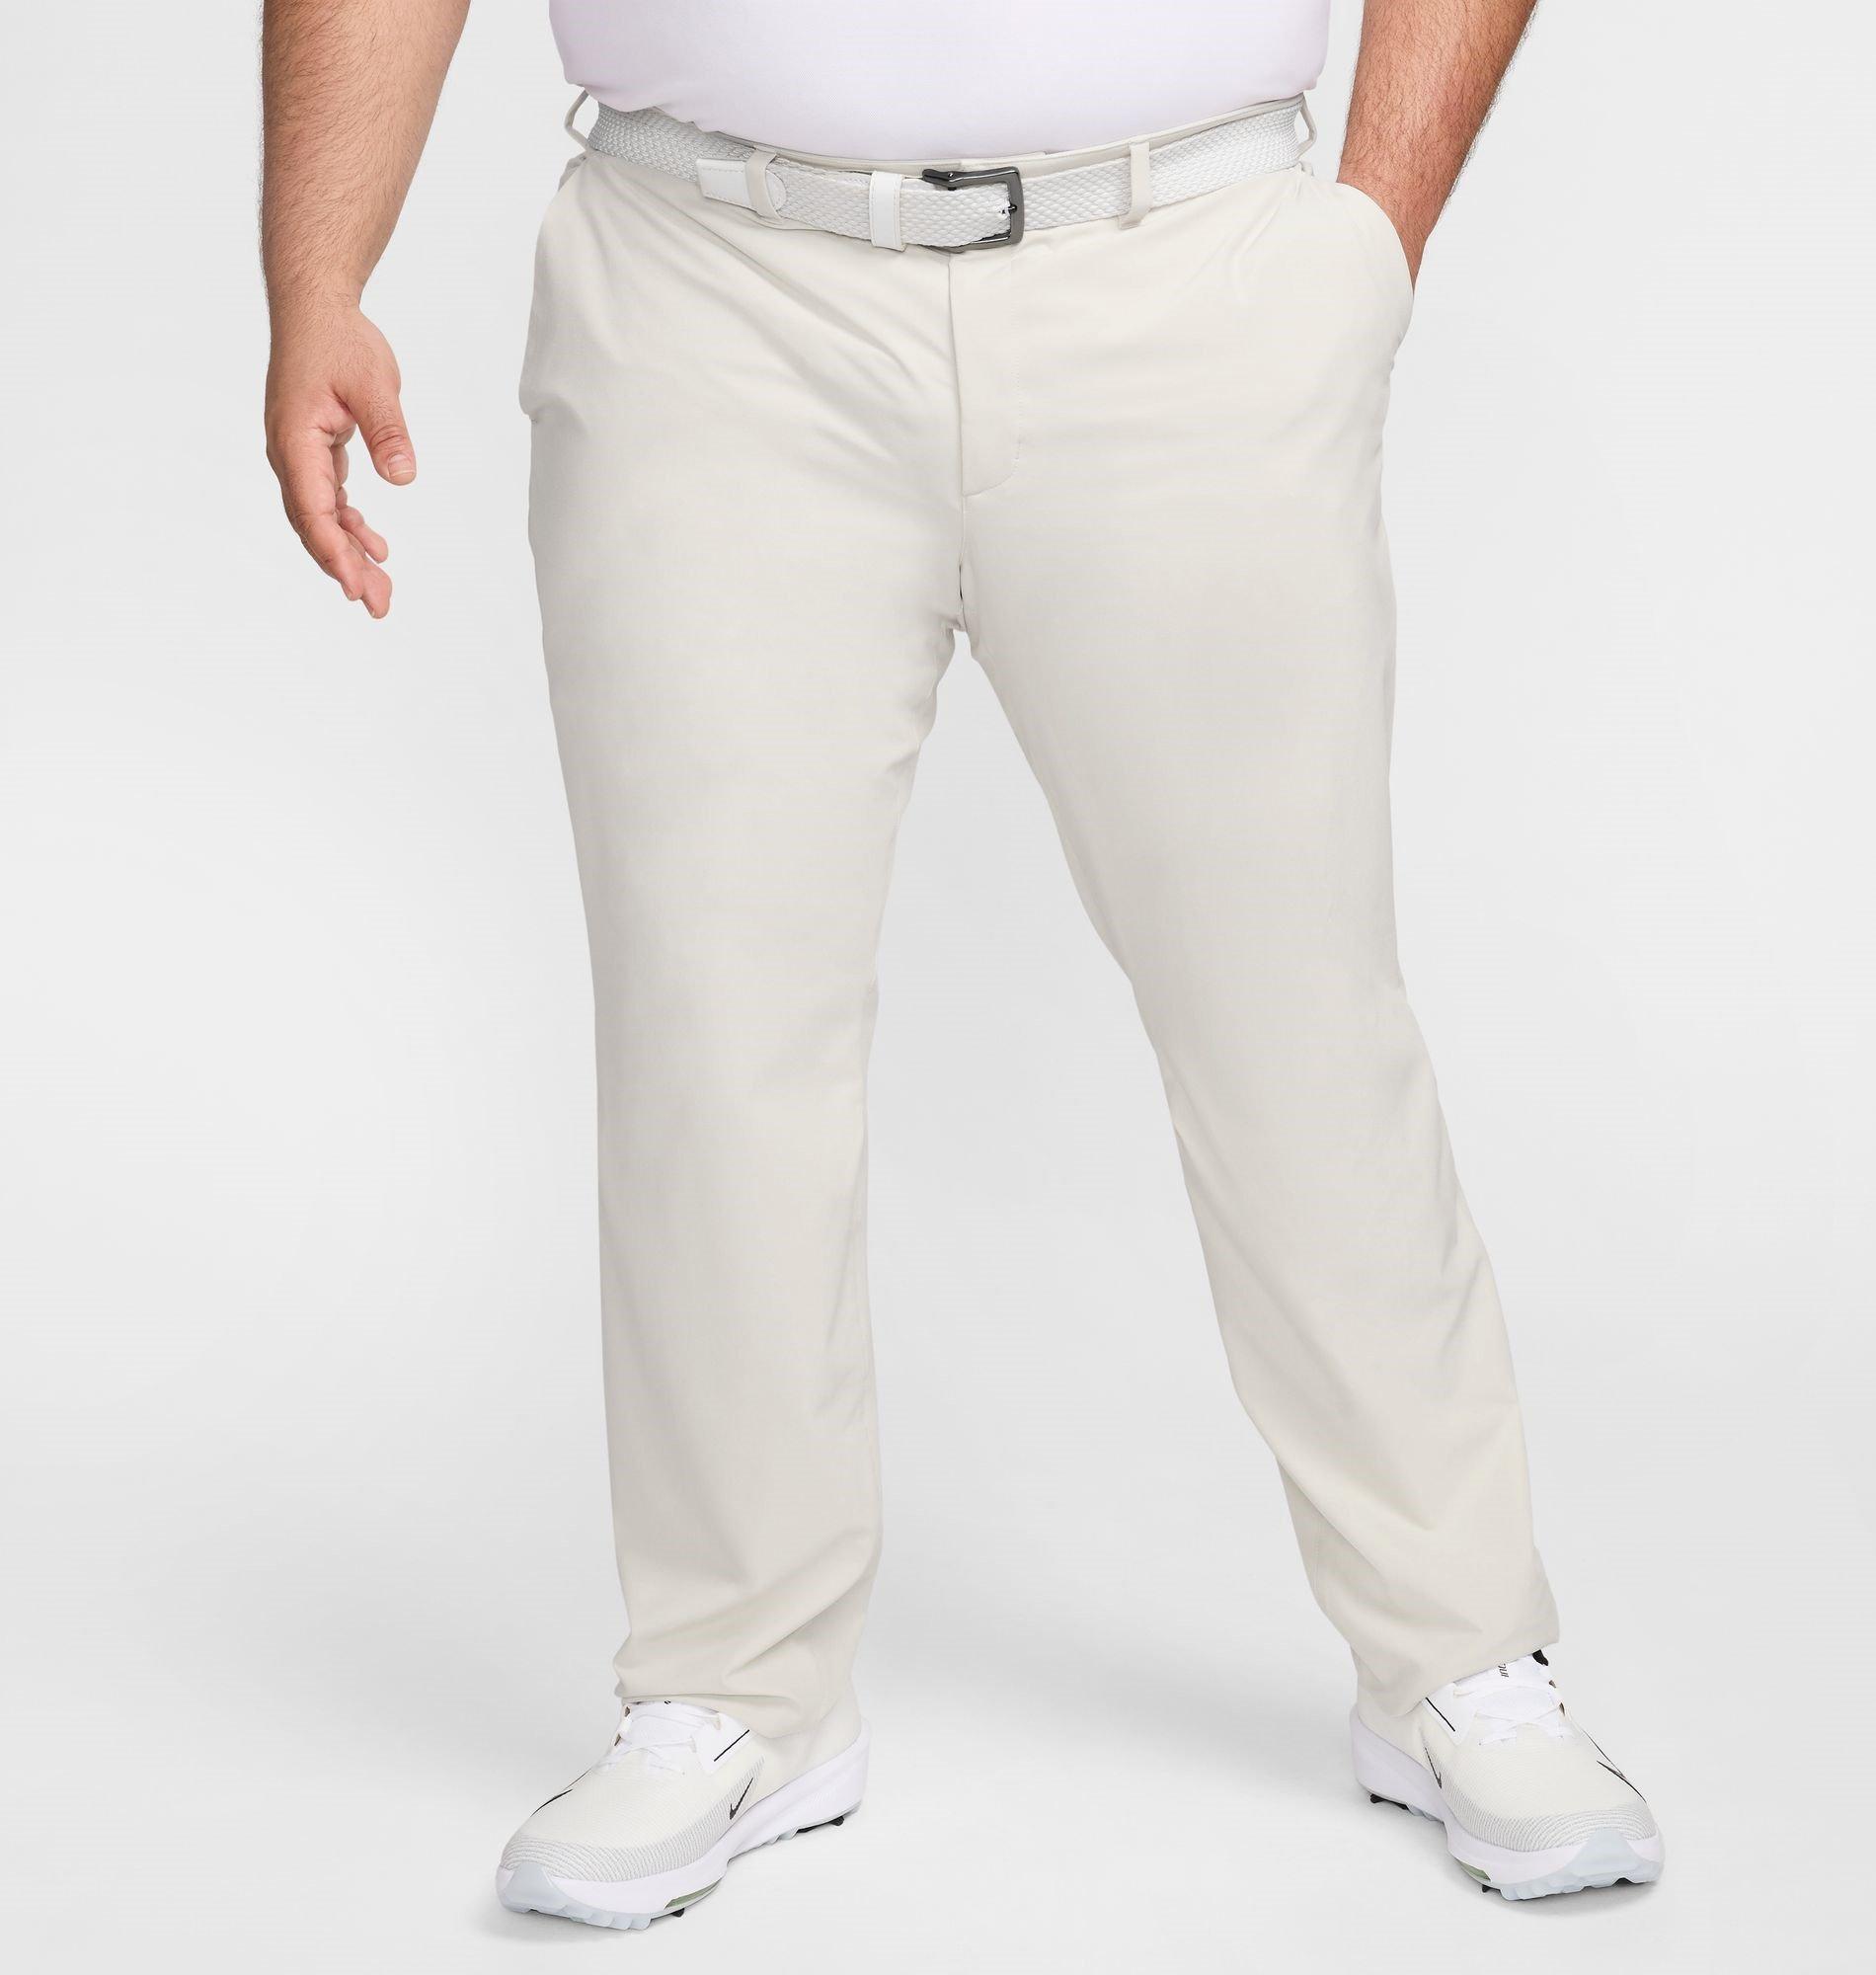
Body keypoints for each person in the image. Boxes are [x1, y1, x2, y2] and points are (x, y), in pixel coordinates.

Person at [262, 0, 1662, 1925]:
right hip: (703, 294)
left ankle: (1457, 1656)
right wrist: (318, 270)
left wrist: (1367, 240)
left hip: (1182, 275)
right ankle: (731, 1689)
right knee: (710, 1032)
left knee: (1291, 1015)